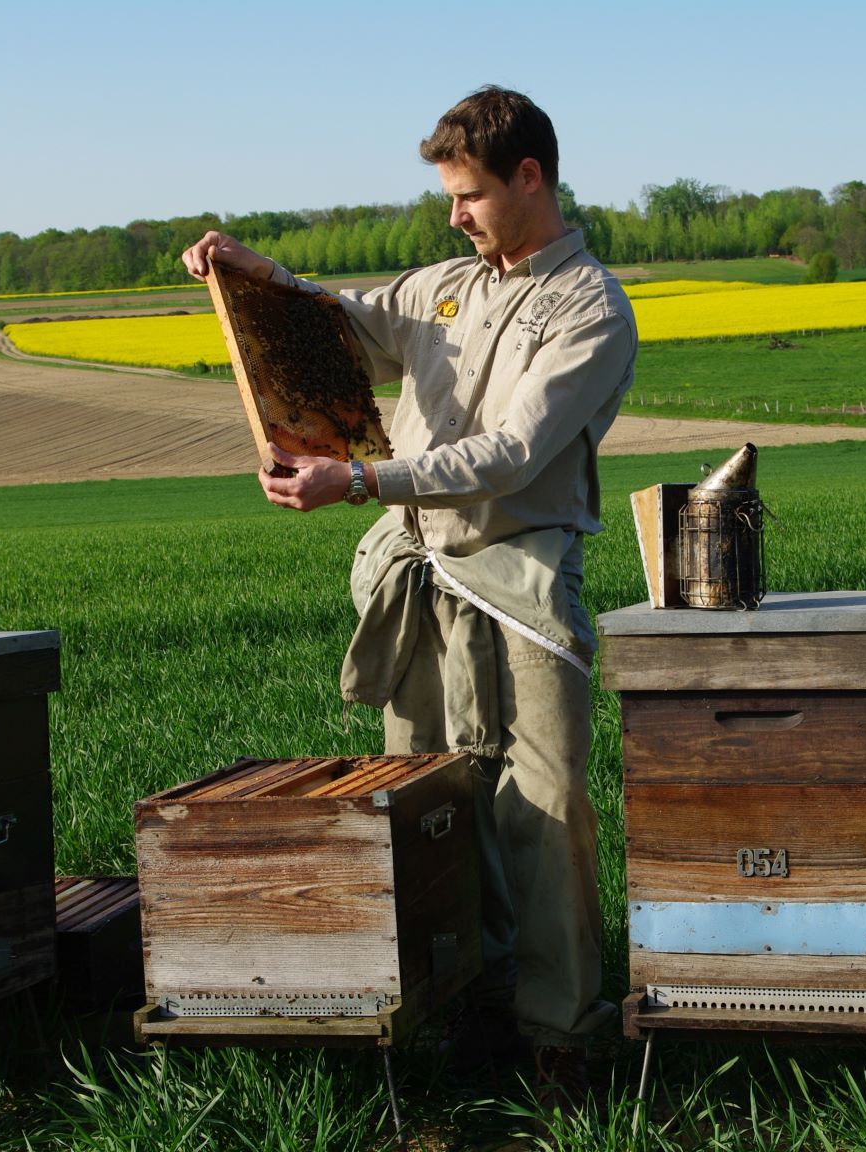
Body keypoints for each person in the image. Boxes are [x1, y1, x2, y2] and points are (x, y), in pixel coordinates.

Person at [181, 85, 636, 1114]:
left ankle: (561, 1038)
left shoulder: (592, 309)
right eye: (447, 196)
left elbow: (514, 455)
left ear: (530, 178)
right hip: (419, 575)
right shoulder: (442, 287)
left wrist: (359, 481)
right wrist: (257, 275)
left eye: (470, 195)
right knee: (432, 798)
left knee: (546, 805)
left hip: (519, 573)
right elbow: (342, 328)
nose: (455, 215)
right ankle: (458, 1003)